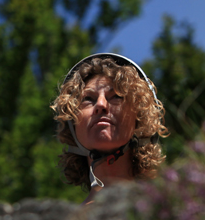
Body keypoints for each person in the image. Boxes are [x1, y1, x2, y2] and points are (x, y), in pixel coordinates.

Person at [51, 53, 168, 204]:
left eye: (116, 97)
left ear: (140, 119)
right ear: (72, 125)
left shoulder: (171, 211)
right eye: (88, 99)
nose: (101, 104)